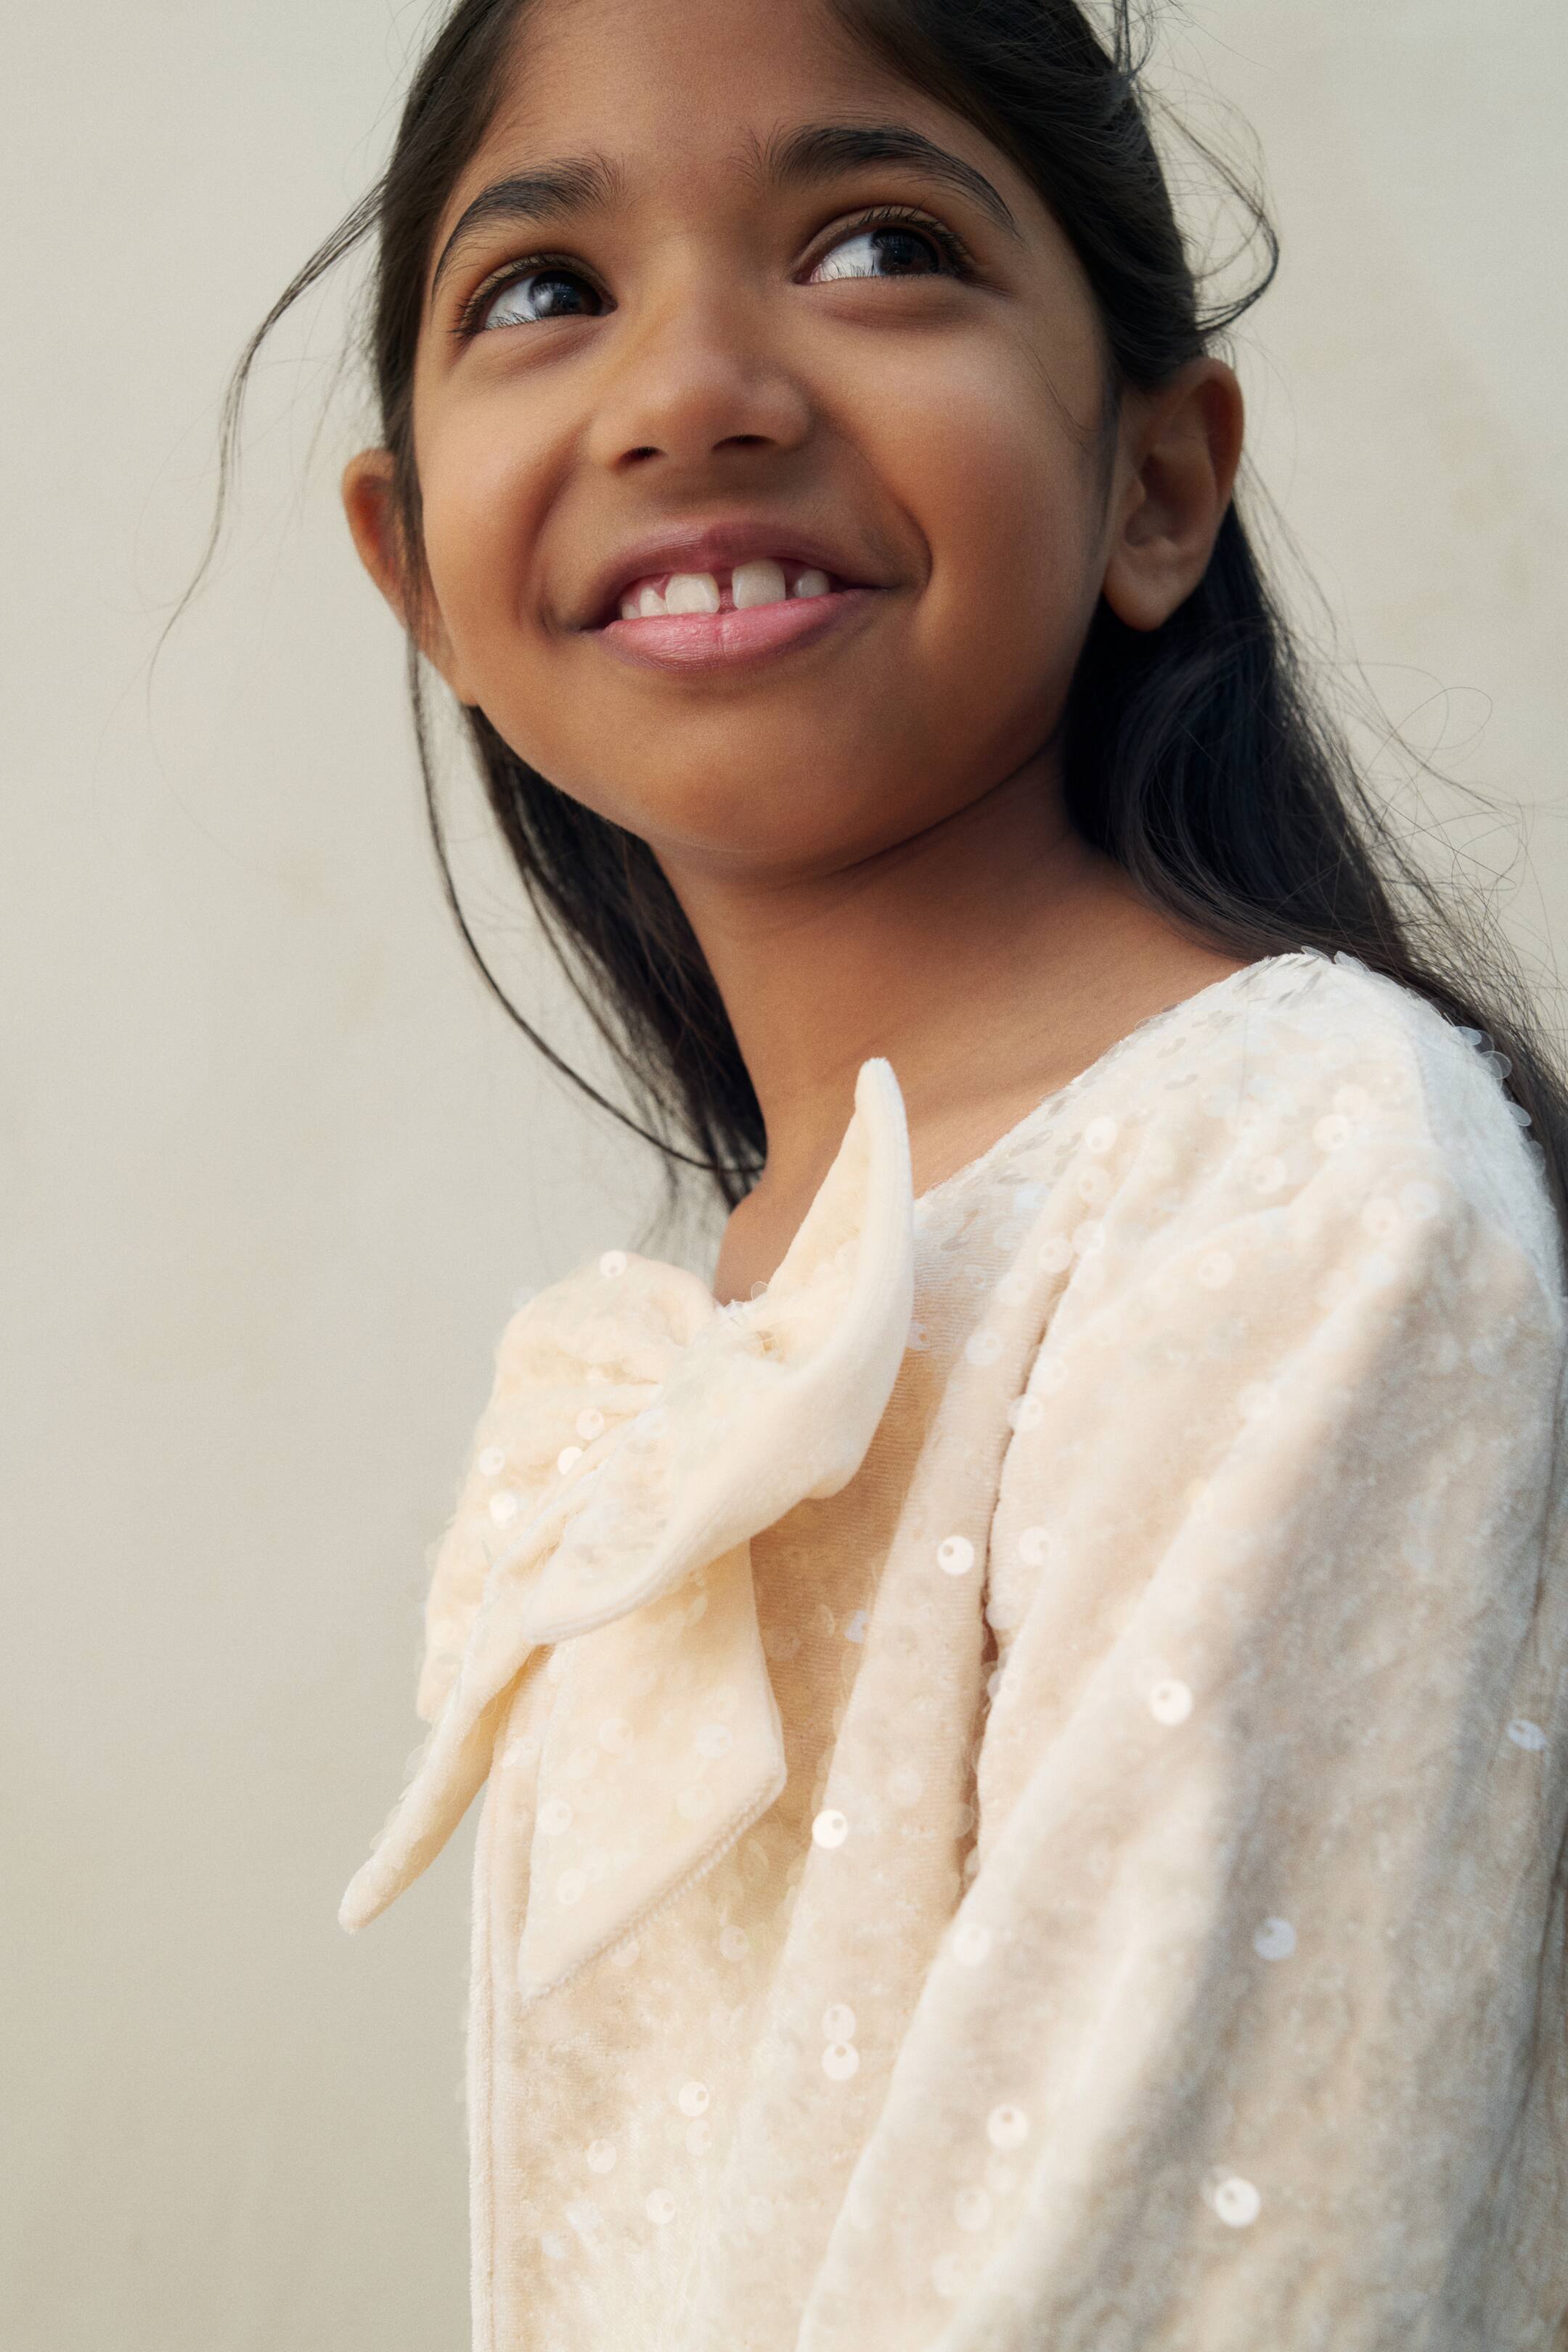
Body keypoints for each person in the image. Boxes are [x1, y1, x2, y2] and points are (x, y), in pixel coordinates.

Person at [229, 0, 1568, 2340]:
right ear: (414, 567)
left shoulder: (1293, 1184)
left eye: (876, 246)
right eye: (546, 289)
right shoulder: (731, 1320)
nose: (693, 391)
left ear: (1158, 486)